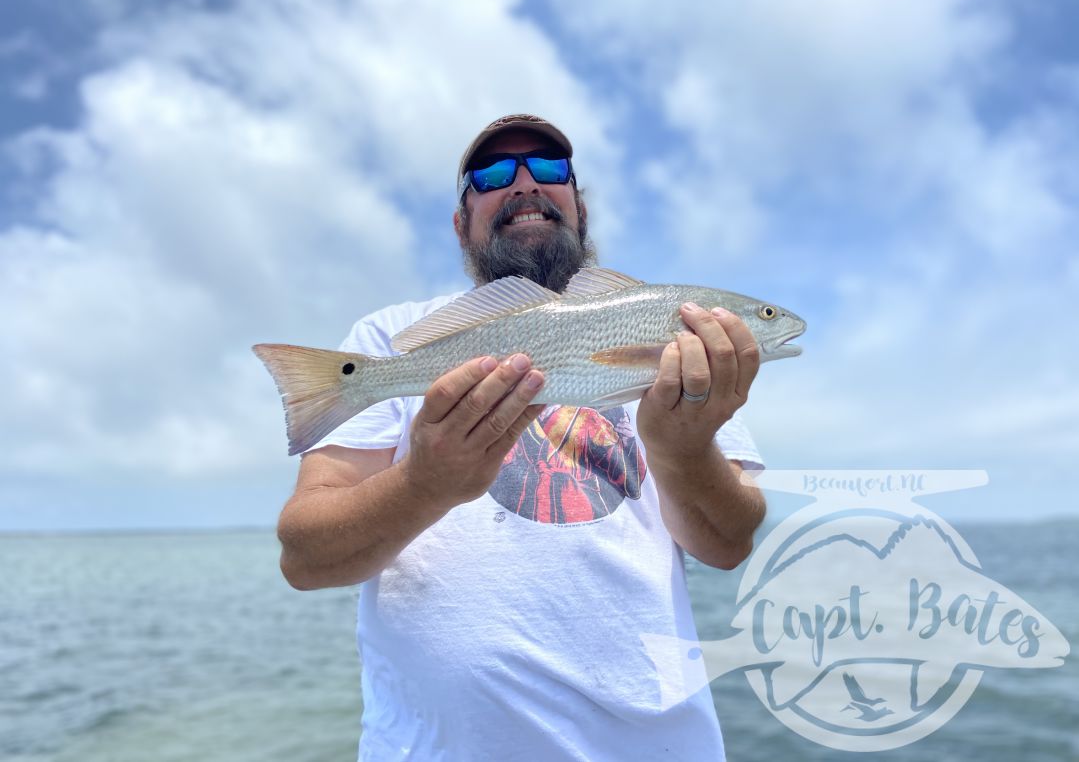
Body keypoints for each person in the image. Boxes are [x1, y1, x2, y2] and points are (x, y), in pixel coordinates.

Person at [276, 114, 768, 761]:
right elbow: (304, 558)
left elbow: (728, 543)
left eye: (549, 169)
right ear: (461, 223)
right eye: (493, 174)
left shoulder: (682, 343)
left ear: (580, 209)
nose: (525, 184)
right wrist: (424, 486)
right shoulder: (389, 338)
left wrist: (683, 449)